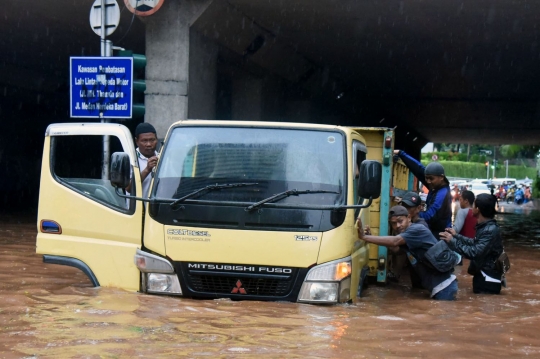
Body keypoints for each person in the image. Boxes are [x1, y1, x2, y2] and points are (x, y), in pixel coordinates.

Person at [357, 206, 458, 300]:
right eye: (393, 223)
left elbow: (394, 241)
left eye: (400, 221)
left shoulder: (416, 229)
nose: (397, 226)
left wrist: (365, 237)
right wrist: (371, 237)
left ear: (409, 218)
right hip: (439, 287)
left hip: (444, 287)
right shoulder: (408, 236)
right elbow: (397, 251)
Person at [440, 194, 504, 294]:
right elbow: (475, 243)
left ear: (478, 209)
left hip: (487, 279)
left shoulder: (489, 230)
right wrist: (456, 235)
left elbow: (474, 252)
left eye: (473, 205)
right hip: (486, 276)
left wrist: (452, 241)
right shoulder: (486, 226)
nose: (471, 208)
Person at [394, 150, 452, 238]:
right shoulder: (435, 184)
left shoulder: (442, 194)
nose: (428, 182)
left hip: (440, 235)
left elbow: (429, 216)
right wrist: (400, 153)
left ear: (441, 177)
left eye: (431, 179)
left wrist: (409, 213)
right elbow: (419, 169)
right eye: (426, 178)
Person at [127, 123, 159, 198]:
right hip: (137, 208)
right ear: (136, 141)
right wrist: (147, 170)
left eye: (152, 140)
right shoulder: (130, 159)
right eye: (144, 141)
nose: (148, 144)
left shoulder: (162, 158)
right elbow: (128, 188)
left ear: (156, 139)